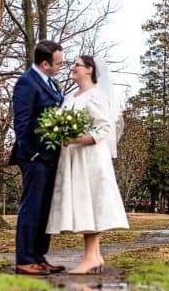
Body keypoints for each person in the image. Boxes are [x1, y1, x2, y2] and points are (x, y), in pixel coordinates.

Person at [46, 55, 130, 274]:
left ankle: (90, 257)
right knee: (83, 204)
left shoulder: (97, 96)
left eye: (77, 65)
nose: (72, 67)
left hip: (91, 158)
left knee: (90, 203)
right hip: (75, 159)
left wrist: (75, 139)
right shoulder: (70, 96)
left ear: (90, 70)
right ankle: (95, 256)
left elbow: (104, 129)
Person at [10, 40, 67, 277]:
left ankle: (39, 257)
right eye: (58, 63)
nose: (61, 66)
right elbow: (21, 123)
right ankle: (24, 259)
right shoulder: (27, 83)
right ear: (45, 64)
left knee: (45, 209)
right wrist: (31, 153)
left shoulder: (51, 84)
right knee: (31, 208)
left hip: (52, 156)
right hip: (34, 157)